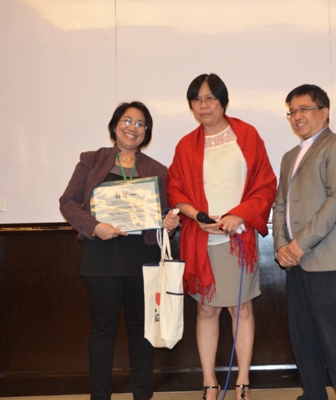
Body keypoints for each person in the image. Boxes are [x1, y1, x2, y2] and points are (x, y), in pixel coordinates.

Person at [59, 101, 180, 400]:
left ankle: (143, 394)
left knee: (142, 330)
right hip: (101, 255)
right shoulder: (91, 161)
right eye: (127, 121)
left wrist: (169, 222)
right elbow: (68, 202)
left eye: (140, 124)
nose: (132, 128)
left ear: (146, 132)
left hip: (142, 256)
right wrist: (94, 226)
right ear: (115, 126)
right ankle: (100, 395)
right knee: (102, 329)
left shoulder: (157, 170)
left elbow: (163, 216)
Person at [167, 73, 276, 400]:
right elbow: (175, 190)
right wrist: (197, 217)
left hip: (237, 240)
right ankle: (210, 383)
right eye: (196, 99)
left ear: (223, 101)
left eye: (210, 98)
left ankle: (242, 381)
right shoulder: (186, 145)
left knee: (241, 309)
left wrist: (238, 215)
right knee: (206, 311)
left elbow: (265, 185)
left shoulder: (247, 135)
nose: (203, 105)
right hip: (201, 240)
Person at [272, 84, 336, 400]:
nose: (297, 116)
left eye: (304, 109)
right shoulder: (289, 156)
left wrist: (299, 244)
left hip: (327, 261)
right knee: (304, 339)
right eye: (292, 111)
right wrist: (280, 246)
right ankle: (313, 395)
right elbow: (279, 204)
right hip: (294, 262)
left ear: (325, 111)